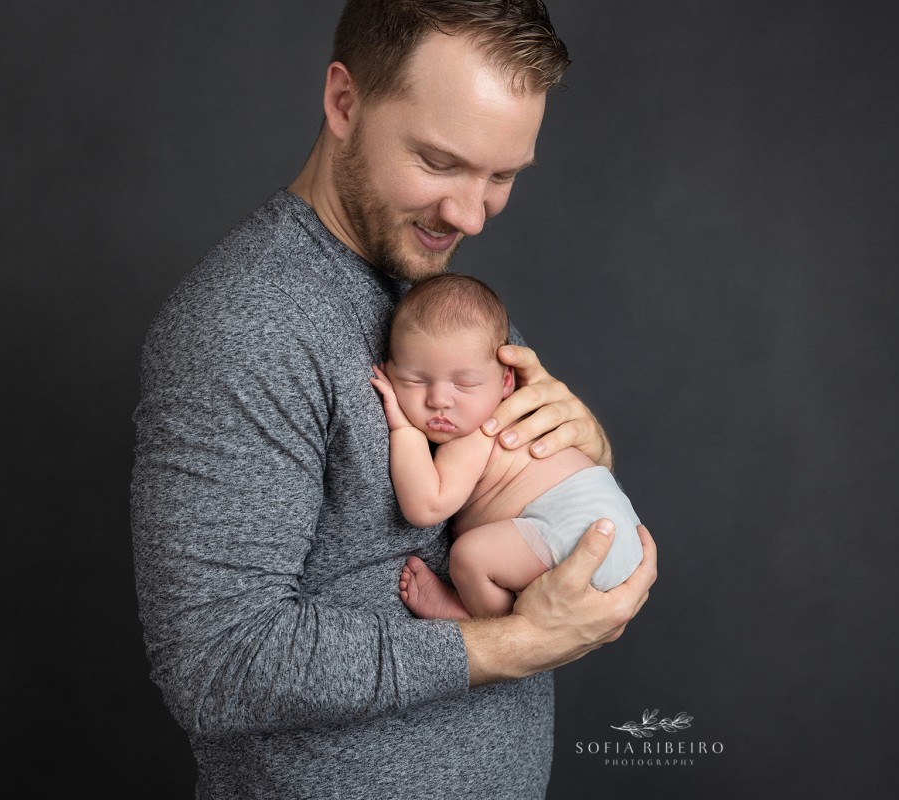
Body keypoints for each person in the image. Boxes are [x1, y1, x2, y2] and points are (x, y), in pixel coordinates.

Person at [130, 2, 657, 797]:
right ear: (345, 102)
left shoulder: (443, 302)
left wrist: (589, 462)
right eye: (441, 163)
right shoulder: (246, 326)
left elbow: (515, 508)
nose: (471, 215)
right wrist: (513, 644)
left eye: (503, 176)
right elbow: (219, 666)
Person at [370, 273, 643, 620]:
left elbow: (425, 506)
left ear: (506, 383)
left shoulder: (477, 434)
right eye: (415, 380)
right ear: (390, 370)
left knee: (470, 557)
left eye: (465, 384)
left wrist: (403, 428)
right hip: (615, 524)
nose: (438, 400)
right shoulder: (501, 402)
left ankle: (477, 618)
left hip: (580, 528)